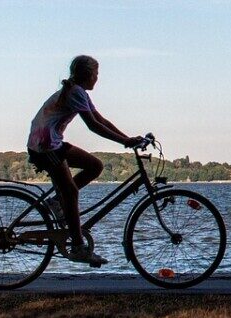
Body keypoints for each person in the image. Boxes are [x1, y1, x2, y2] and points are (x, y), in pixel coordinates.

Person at [26, 55, 144, 265]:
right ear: (88, 75)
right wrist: (124, 142)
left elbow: (100, 118)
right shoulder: (75, 91)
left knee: (95, 165)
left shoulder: (78, 91)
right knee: (70, 192)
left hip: (51, 142)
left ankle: (56, 202)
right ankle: (78, 247)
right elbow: (93, 126)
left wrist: (127, 139)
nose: (97, 78)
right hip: (45, 145)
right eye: (96, 73)